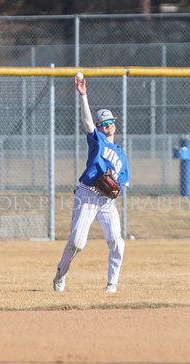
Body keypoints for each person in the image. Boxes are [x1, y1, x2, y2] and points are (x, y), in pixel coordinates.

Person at [53, 74, 130, 294]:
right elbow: (87, 122)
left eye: (111, 122)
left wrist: (116, 189)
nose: (108, 126)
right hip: (87, 193)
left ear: (115, 124)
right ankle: (60, 275)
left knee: (117, 241)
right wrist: (83, 95)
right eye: (103, 124)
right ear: (99, 127)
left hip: (106, 200)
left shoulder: (121, 155)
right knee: (77, 242)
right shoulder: (98, 140)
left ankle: (112, 284)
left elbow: (121, 184)